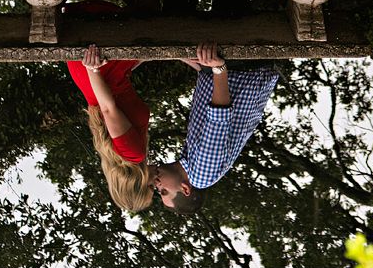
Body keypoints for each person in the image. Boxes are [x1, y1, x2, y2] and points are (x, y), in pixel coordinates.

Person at [148, 42, 279, 213]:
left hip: (230, 69)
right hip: (241, 67)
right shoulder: (201, 174)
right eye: (164, 191)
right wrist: (218, 67)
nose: (157, 185)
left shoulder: (189, 164)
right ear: (185, 189)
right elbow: (219, 116)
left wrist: (192, 62)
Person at [67, 42, 154, 213]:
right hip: (100, 77)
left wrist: (92, 68)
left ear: (138, 182)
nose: (156, 183)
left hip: (100, 71)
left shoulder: (134, 154)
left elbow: (108, 109)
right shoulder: (116, 155)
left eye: (151, 187)